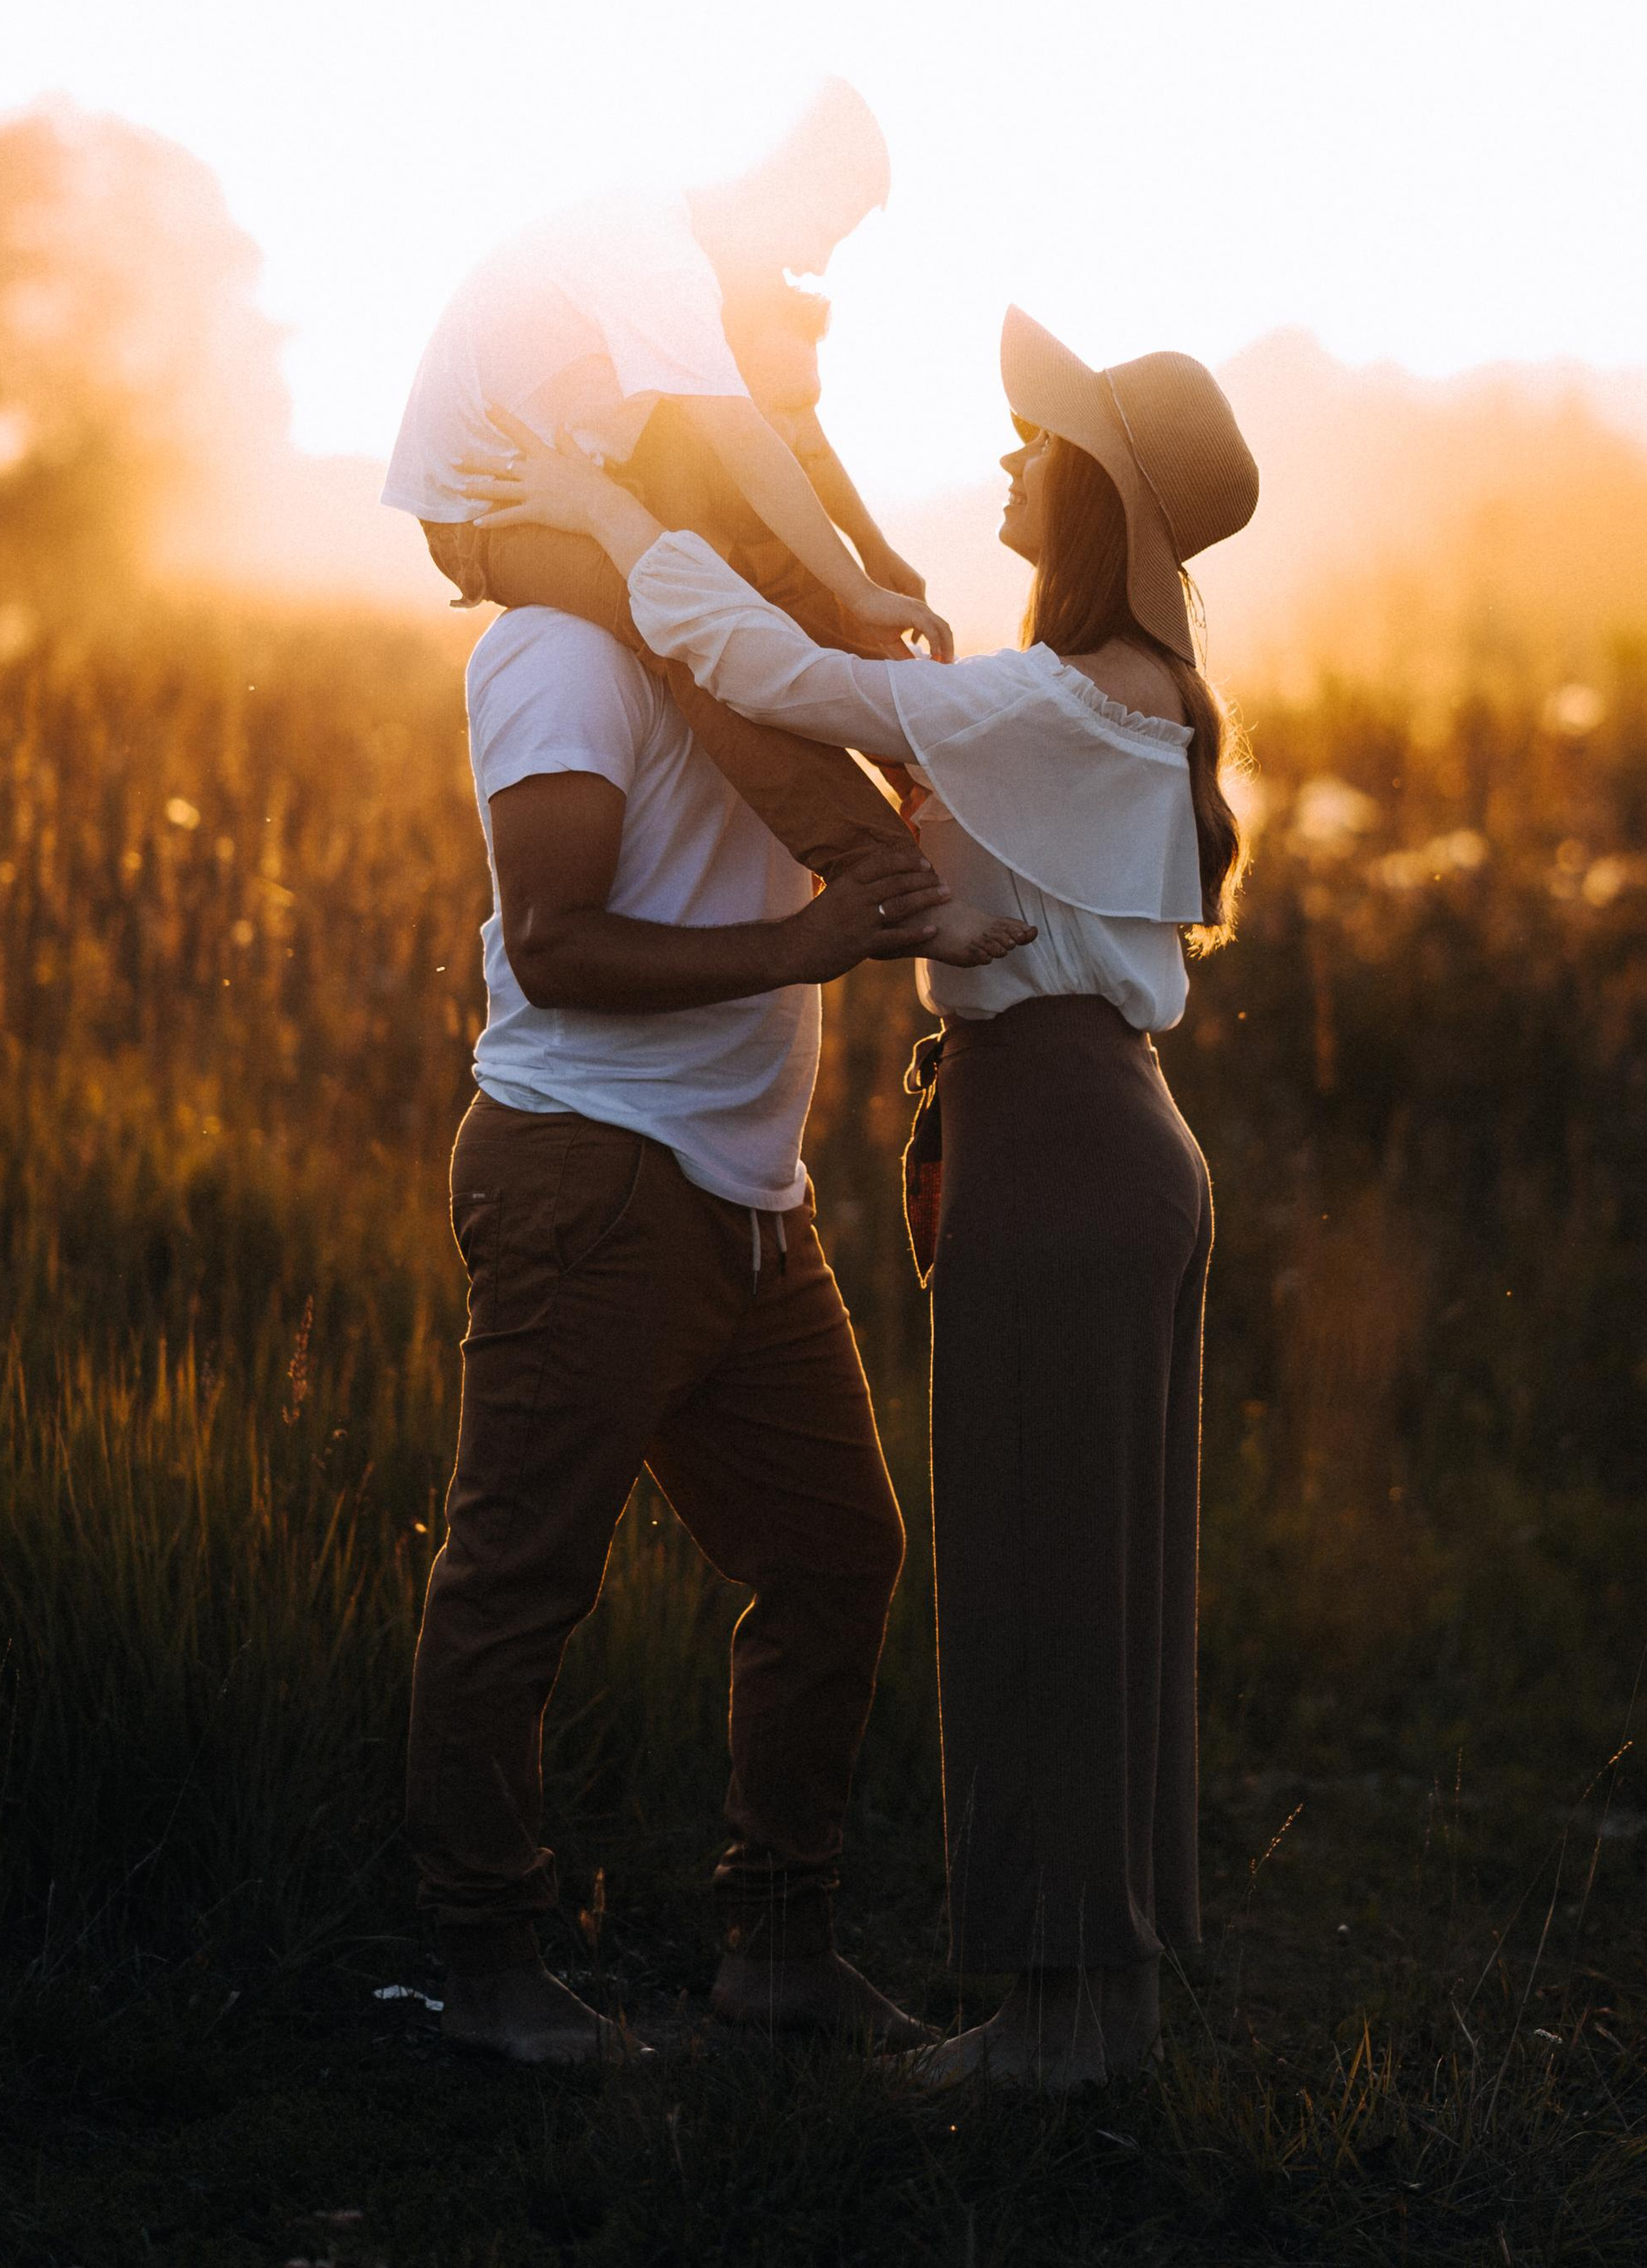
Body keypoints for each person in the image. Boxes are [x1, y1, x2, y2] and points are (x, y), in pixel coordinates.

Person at [458, 305, 1259, 2087]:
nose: (1000, 458)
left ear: (1089, 501)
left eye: (1029, 444)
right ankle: (1097, 2008)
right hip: (1095, 1133)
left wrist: (599, 509)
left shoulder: (1060, 702)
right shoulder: (1108, 703)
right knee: (1099, 1593)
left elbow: (759, 667)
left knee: (1040, 1589)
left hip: (1054, 1146)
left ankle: (1055, 2036)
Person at [405, 564, 1008, 2065]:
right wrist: (798, 948)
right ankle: (486, 1972)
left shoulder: (719, 647)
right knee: (519, 1581)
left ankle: (779, 1951)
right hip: (593, 1182)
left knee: (835, 1555)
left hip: (748, 1199)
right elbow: (551, 942)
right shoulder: (556, 652)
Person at [383, 79, 1014, 958]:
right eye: (826, 230)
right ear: (790, 180)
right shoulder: (654, 253)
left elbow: (786, 429)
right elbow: (744, 437)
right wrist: (856, 584)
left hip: (578, 483)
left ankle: (948, 803)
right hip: (493, 508)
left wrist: (864, 565)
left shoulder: (690, 262)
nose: (821, 263)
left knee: (783, 585)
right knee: (690, 631)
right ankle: (897, 891)